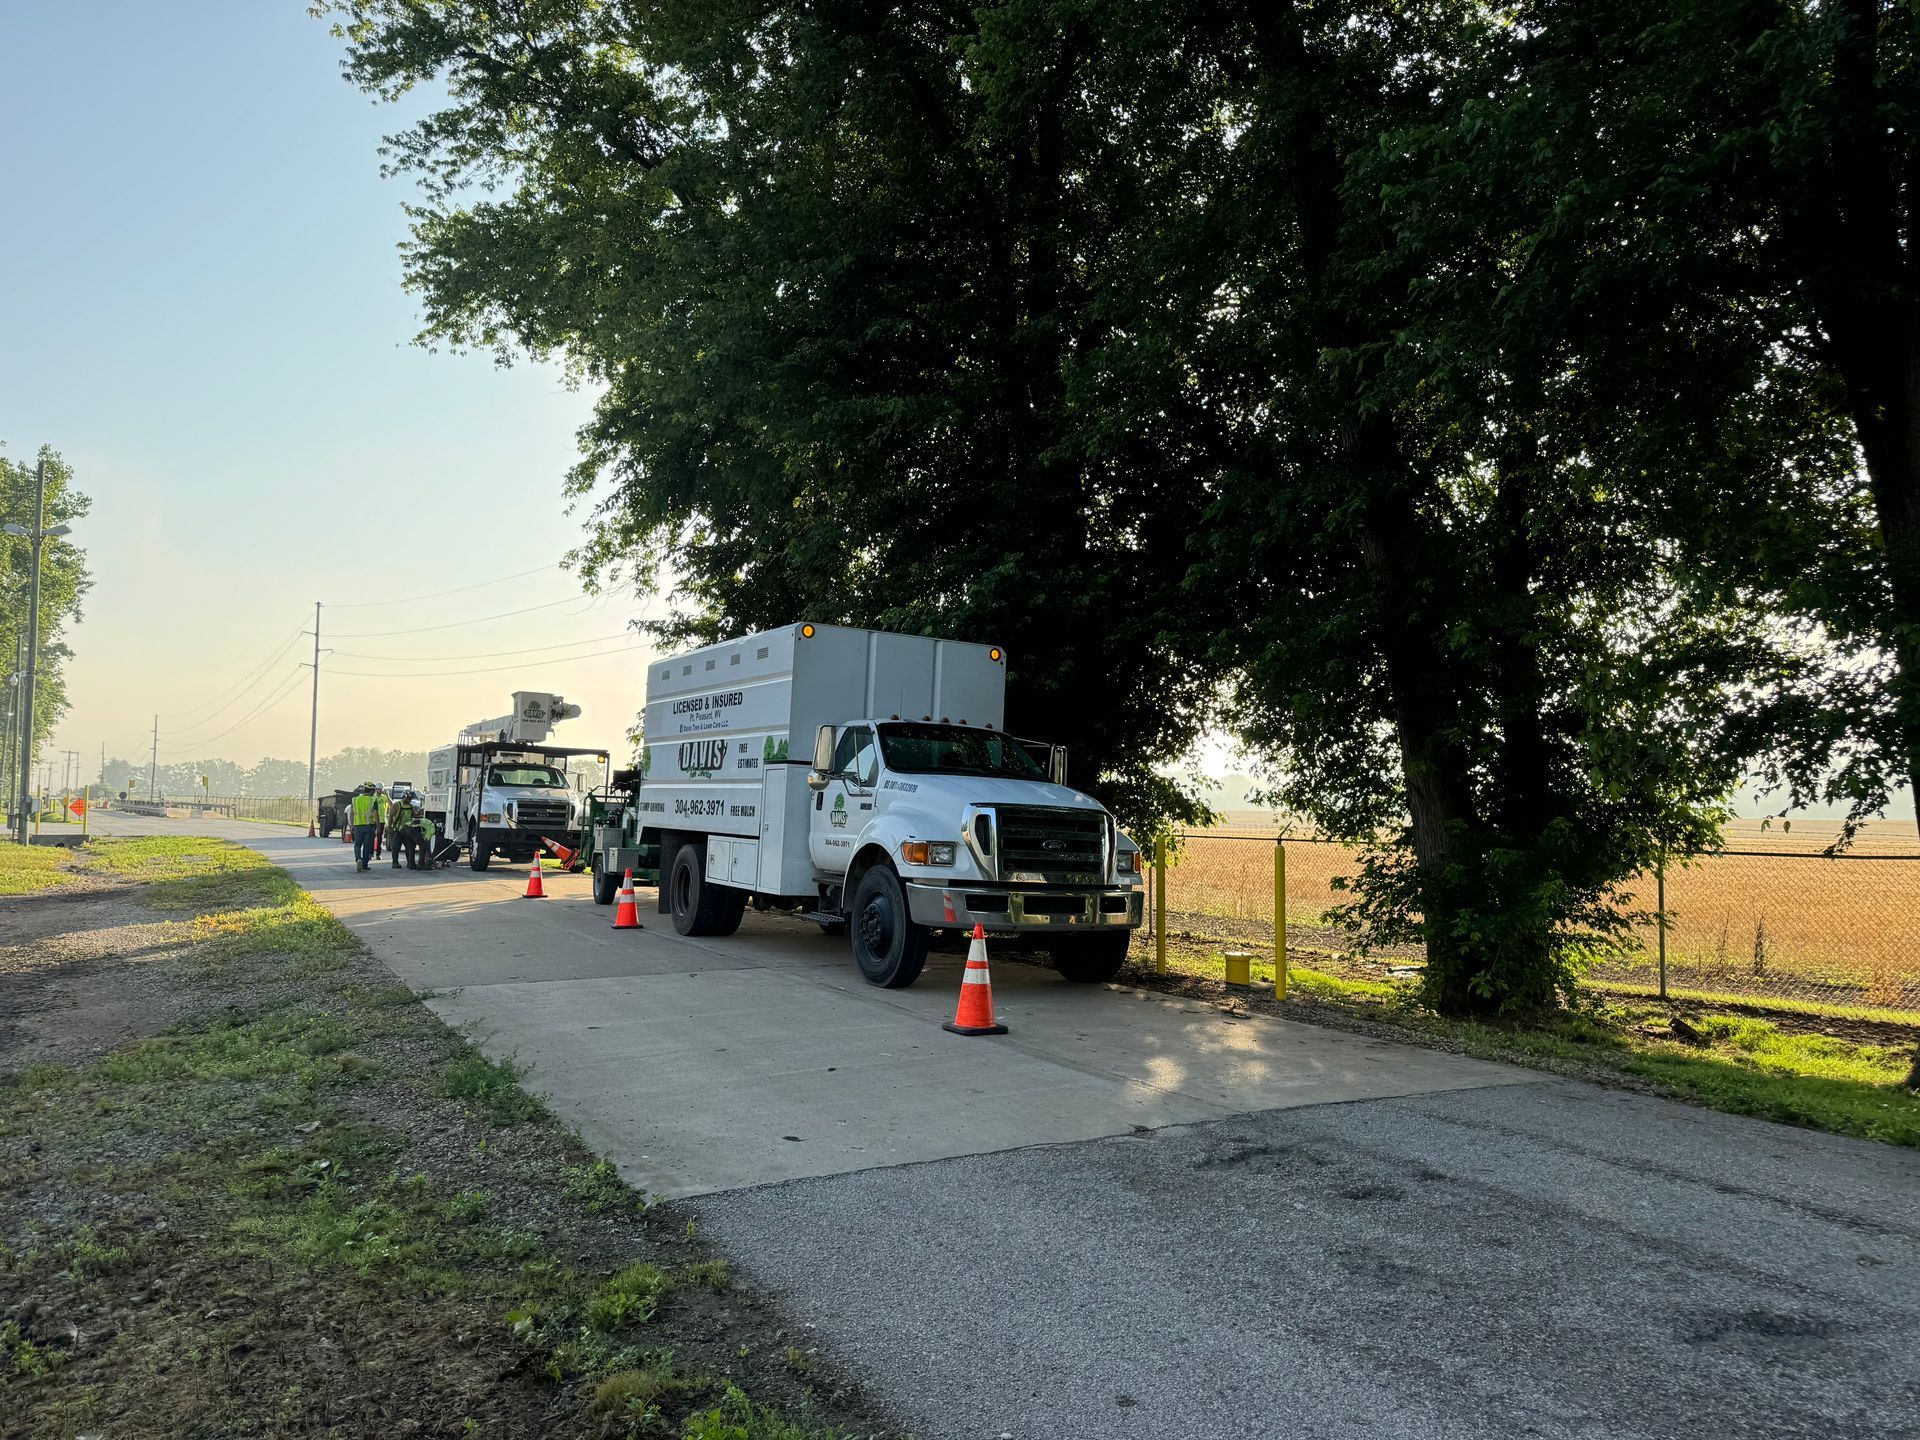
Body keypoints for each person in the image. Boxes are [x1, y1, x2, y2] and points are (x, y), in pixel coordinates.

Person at [349, 781, 380, 871]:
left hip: (358, 826)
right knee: (367, 846)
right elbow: (376, 815)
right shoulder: (373, 800)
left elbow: (351, 814)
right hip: (368, 826)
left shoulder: (355, 800)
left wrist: (352, 825)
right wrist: (378, 828)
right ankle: (365, 864)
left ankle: (358, 859)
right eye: (373, 791)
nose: (374, 792)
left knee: (357, 845)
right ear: (370, 791)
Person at [387, 791, 418, 869]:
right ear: (403, 797)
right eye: (408, 798)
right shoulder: (396, 805)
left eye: (410, 799)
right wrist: (389, 827)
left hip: (407, 830)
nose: (409, 800)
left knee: (409, 847)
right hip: (397, 829)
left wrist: (417, 814)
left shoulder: (410, 806)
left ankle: (410, 863)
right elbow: (390, 816)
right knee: (396, 847)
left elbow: (413, 815)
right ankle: (395, 863)